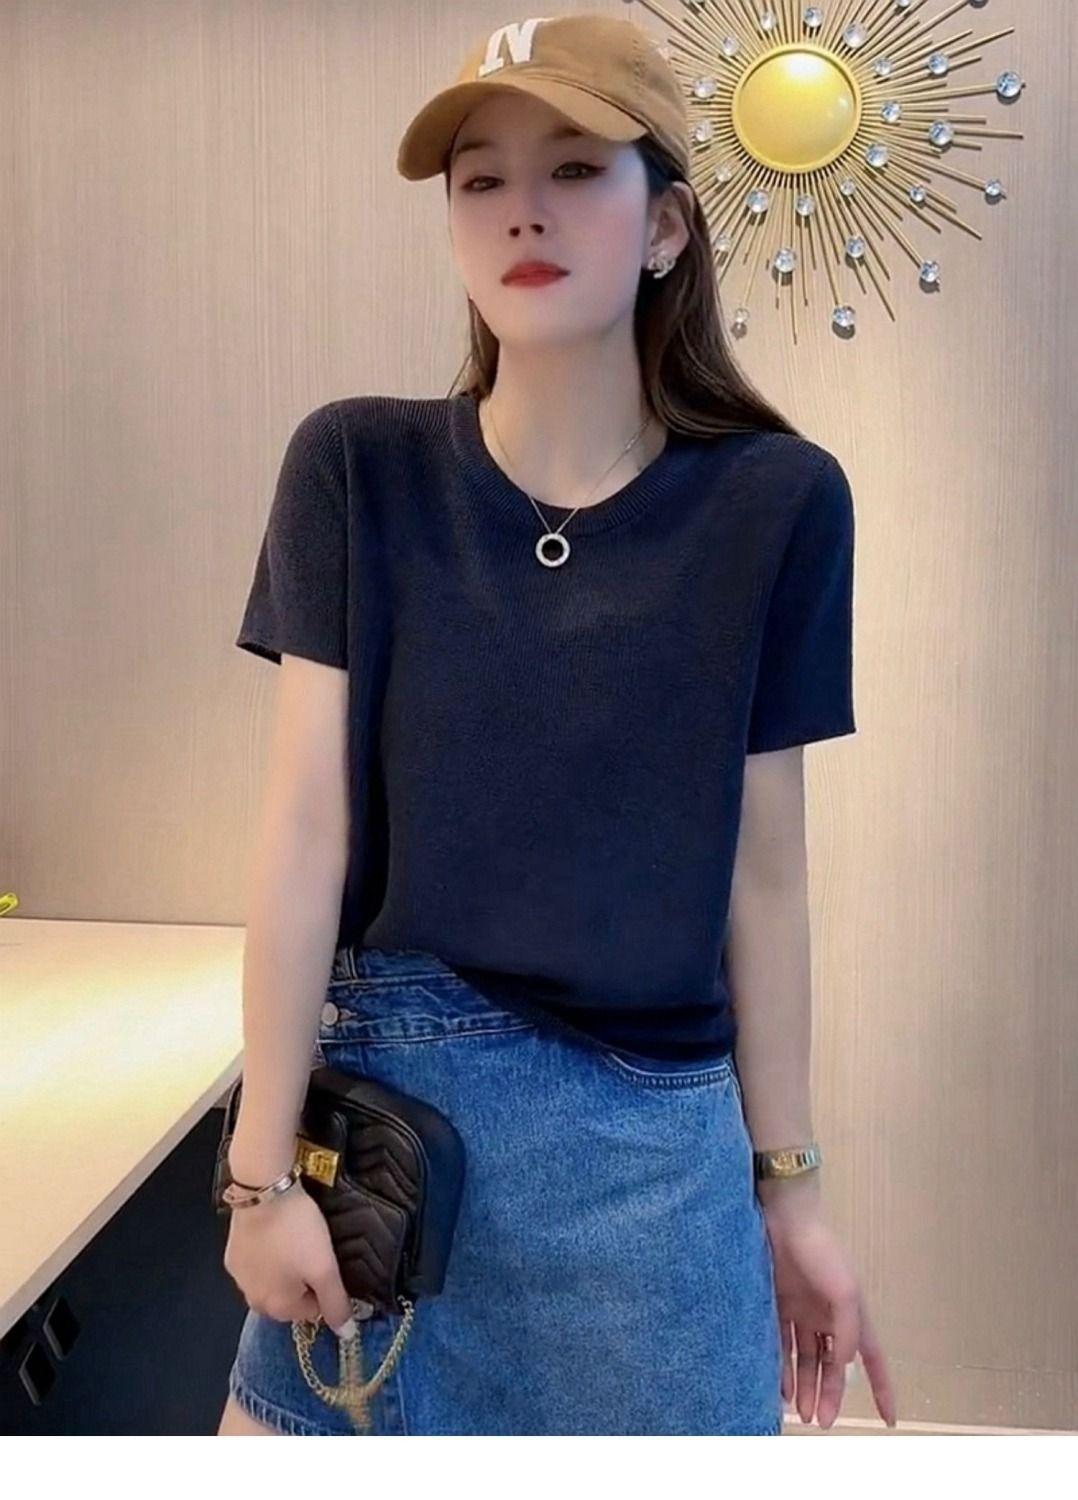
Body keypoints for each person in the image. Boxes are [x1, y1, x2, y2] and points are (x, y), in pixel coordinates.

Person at [217, 12, 897, 1436]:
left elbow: (764, 874)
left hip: (651, 1176)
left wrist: (794, 1192)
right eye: (481, 179)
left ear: (665, 229)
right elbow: (302, 835)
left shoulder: (777, 503)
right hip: (393, 1162)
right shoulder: (355, 465)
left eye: (576, 169)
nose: (521, 209)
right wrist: (257, 1176)